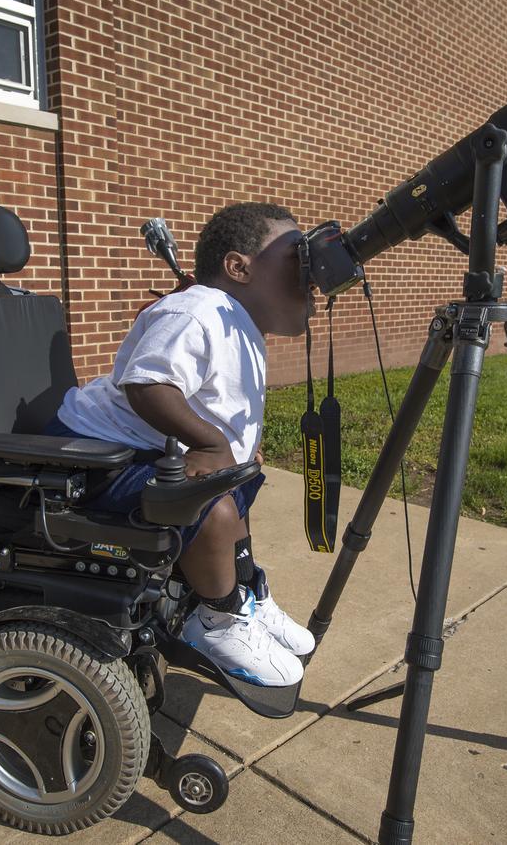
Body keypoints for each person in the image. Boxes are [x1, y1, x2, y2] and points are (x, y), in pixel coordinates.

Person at [47, 203, 317, 687]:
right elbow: (148, 385)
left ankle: (244, 592)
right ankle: (215, 619)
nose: (308, 271)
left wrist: (232, 451)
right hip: (88, 455)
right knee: (210, 504)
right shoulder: (199, 309)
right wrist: (211, 442)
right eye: (294, 256)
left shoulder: (237, 321)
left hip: (137, 445)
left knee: (236, 488)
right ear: (238, 268)